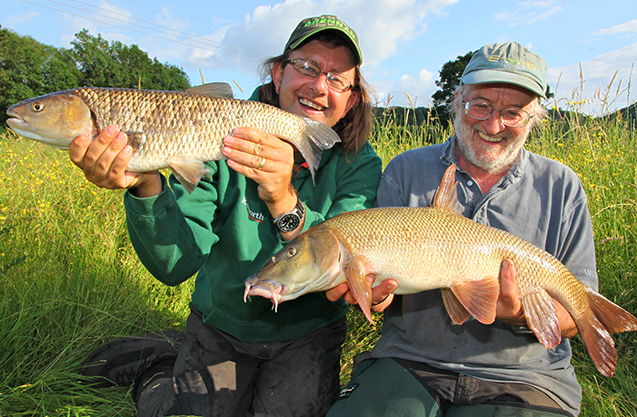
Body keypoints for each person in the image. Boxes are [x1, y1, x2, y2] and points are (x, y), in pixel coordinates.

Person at [73, 15, 382, 417]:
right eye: (306, 67)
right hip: (222, 325)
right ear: (277, 72)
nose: (319, 86)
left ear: (352, 99)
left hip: (308, 331)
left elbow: (341, 264)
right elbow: (175, 265)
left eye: (337, 78)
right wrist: (144, 184)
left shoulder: (361, 163)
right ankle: (160, 369)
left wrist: (282, 198)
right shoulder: (219, 135)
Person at [326, 42, 597, 417]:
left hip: (524, 376)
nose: (493, 124)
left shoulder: (561, 187)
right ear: (457, 101)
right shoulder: (405, 170)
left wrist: (517, 312)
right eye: (481, 105)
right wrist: (373, 295)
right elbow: (378, 287)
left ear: (535, 117)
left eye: (513, 112)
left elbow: (574, 311)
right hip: (411, 361)